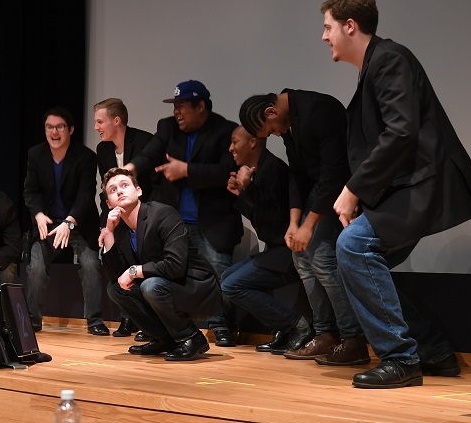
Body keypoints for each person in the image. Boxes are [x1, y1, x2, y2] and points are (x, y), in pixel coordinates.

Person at [320, 0, 471, 388]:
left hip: (425, 184)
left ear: (350, 26)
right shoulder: (376, 65)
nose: (324, 36)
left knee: (353, 247)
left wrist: (354, 191)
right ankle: (434, 351)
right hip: (408, 186)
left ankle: (401, 359)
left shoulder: (389, 59)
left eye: (328, 27)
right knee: (354, 261)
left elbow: (401, 133)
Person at [239, 89, 369, 365]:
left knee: (322, 259)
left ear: (271, 111)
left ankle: (353, 340)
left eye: (271, 129)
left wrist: (308, 226)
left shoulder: (319, 110)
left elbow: (334, 174)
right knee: (301, 258)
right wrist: (294, 223)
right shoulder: (288, 121)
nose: (276, 134)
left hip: (342, 190)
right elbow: (297, 174)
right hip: (318, 191)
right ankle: (325, 334)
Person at [125, 80, 242, 347]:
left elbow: (227, 172)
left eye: (182, 106)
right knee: (170, 275)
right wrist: (130, 169)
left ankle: (222, 326)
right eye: (174, 106)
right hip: (174, 223)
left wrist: (186, 170)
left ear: (200, 106)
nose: (176, 112)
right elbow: (149, 156)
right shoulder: (167, 127)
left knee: (217, 274)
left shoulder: (225, 130)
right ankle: (169, 329)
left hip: (213, 221)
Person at [100, 167, 221, 361]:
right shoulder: (119, 229)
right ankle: (164, 339)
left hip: (195, 286)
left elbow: (175, 266)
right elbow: (114, 276)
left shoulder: (162, 214)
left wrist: (134, 271)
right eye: (113, 190)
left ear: (138, 191)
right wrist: (109, 233)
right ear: (108, 203)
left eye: (124, 185)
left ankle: (192, 337)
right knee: (115, 289)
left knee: (150, 285)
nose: (119, 191)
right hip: (164, 285)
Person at [221, 126, 312, 354]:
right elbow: (261, 218)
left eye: (235, 141)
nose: (231, 148)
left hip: (288, 251)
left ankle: (297, 325)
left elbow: (276, 218)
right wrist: (241, 193)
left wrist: (249, 188)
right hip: (274, 249)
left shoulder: (273, 168)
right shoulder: (259, 169)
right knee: (227, 277)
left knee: (232, 285)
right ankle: (284, 327)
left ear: (253, 142)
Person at [24, 106, 109, 335]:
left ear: (70, 129)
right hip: (48, 222)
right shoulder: (36, 154)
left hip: (79, 222)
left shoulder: (86, 157)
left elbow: (86, 194)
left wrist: (69, 222)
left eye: (60, 127)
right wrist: (38, 214)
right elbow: (30, 191)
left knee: (91, 265)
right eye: (49, 127)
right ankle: (32, 320)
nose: (54, 132)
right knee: (36, 268)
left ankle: (95, 320)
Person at [94, 97, 156, 337]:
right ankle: (128, 318)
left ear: (116, 120)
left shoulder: (144, 141)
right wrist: (105, 226)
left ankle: (149, 322)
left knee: (143, 265)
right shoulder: (103, 149)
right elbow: (106, 192)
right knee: (119, 265)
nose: (96, 127)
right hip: (118, 215)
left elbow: (154, 185)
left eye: (100, 122)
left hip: (143, 216)